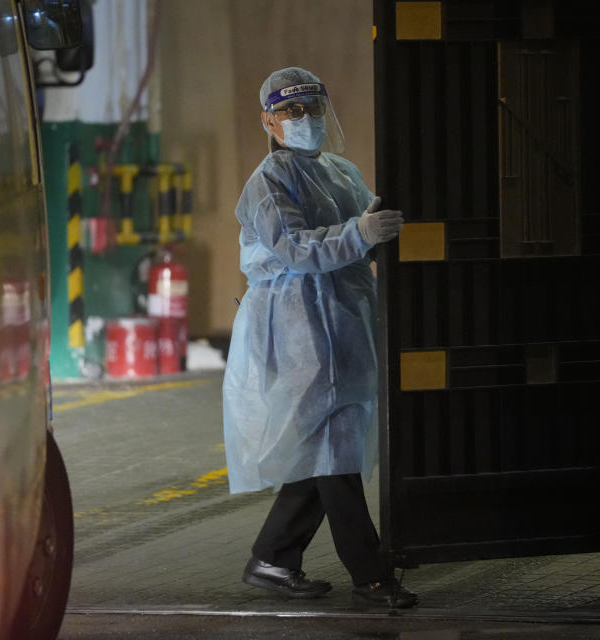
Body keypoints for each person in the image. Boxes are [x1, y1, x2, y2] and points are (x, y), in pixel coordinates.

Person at [222, 67, 417, 609]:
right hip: (298, 325)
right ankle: (371, 574)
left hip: (343, 320)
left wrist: (377, 230)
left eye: (312, 109)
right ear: (270, 120)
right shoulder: (267, 182)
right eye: (292, 111)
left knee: (325, 445)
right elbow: (295, 248)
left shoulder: (340, 171)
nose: (304, 120)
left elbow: (363, 233)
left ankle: (273, 558)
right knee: (335, 451)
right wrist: (360, 233)